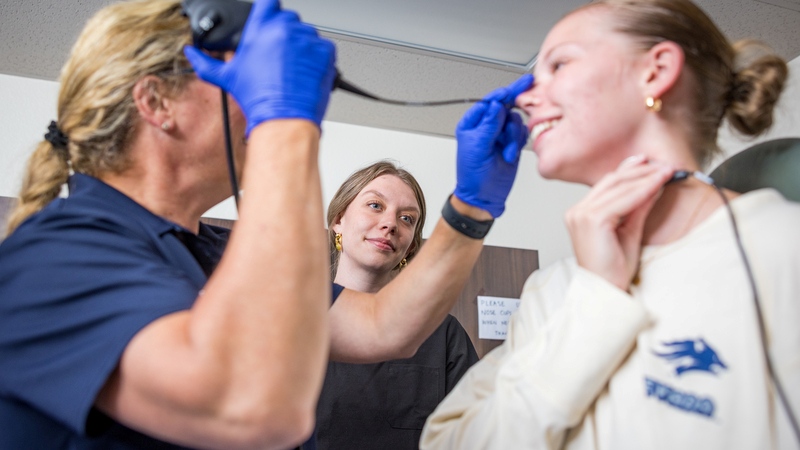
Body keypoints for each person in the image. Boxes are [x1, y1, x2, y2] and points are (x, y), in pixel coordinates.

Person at [0, 0, 532, 448]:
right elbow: (253, 407)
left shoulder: (207, 253)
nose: (255, 104)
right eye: (244, 84)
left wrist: (470, 207)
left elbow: (384, 327)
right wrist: (286, 118)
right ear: (157, 101)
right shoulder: (55, 257)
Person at [420, 0, 799, 449]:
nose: (523, 97)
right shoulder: (557, 287)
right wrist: (594, 298)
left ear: (655, 71)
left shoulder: (783, 249)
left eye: (559, 64)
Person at [315, 161, 479, 450]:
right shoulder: (295, 317)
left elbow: (475, 433)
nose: (390, 224)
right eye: (376, 206)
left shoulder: (443, 334)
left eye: (406, 219)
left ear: (411, 246)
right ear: (339, 220)